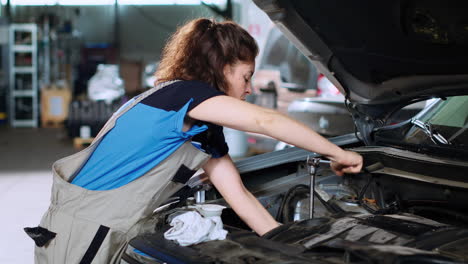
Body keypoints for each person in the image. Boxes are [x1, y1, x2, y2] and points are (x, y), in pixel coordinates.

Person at [26, 18, 363, 263]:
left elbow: (241, 197)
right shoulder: (181, 97)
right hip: (82, 232)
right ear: (221, 67)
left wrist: (291, 245)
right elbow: (266, 121)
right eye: (245, 77)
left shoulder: (198, 127)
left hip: (105, 228)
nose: (248, 89)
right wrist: (337, 153)